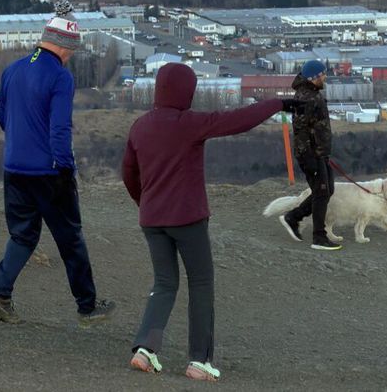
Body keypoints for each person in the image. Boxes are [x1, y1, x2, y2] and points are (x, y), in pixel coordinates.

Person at [120, 62, 287, 381]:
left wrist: (145, 203)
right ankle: (199, 361)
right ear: (188, 91)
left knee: (164, 283)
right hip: (188, 218)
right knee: (200, 283)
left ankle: (146, 350)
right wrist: (278, 103)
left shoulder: (140, 126)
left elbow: (129, 172)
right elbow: (237, 121)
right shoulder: (189, 123)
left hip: (152, 220)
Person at [0, 1, 115, 328]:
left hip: (14, 169)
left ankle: (0, 298)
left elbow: (3, 118)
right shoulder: (60, 77)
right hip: (49, 172)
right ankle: (87, 308)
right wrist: (66, 168)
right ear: (64, 45)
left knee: (22, 237)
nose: (71, 56)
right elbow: (60, 129)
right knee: (71, 239)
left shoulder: (13, 69)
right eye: (72, 49)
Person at [278, 59, 341, 252]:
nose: (325, 77)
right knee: (322, 192)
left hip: (320, 153)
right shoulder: (306, 98)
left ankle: (294, 217)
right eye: (322, 75)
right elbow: (300, 131)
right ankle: (319, 237)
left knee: (327, 190)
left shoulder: (312, 94)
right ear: (313, 78)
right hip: (312, 155)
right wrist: (309, 159)